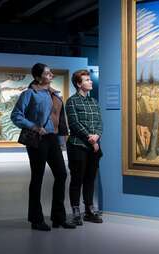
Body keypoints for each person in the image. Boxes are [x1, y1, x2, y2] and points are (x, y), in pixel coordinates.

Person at [11, 63, 76, 231]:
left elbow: (57, 118)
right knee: (37, 178)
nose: (51, 75)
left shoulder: (54, 94)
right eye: (47, 73)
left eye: (51, 72)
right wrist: (33, 126)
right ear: (38, 77)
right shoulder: (29, 94)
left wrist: (61, 139)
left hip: (53, 139)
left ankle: (58, 217)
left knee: (61, 174)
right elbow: (16, 115)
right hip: (38, 139)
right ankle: (36, 219)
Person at [66, 70, 103, 226]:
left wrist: (97, 135)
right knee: (77, 179)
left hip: (93, 147)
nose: (91, 82)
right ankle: (75, 210)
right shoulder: (72, 101)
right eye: (87, 80)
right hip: (77, 145)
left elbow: (100, 122)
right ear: (78, 84)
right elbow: (74, 124)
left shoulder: (94, 101)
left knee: (90, 179)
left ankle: (89, 209)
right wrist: (91, 138)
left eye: (90, 79)